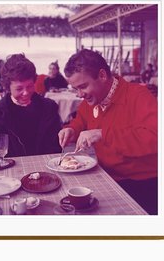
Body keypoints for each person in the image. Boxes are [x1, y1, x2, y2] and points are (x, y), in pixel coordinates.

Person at [58, 49, 158, 215]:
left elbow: (155, 138)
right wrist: (70, 130)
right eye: (76, 89)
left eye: (83, 86)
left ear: (102, 75)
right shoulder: (91, 100)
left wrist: (103, 134)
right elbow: (80, 121)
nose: (80, 95)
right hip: (106, 177)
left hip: (143, 184)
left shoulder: (138, 95)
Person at [0, 53, 62, 158]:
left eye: (29, 86)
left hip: (45, 169)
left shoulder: (49, 108)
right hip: (10, 171)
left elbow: (56, 149)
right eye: (19, 89)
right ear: (7, 87)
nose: (26, 93)